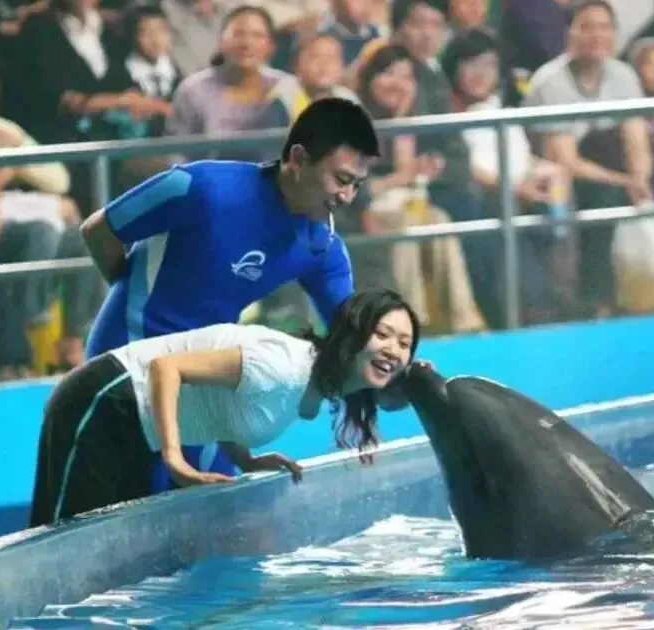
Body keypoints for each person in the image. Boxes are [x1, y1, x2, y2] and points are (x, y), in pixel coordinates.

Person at [78, 97, 388, 492]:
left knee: (217, 503)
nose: (347, 196)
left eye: (356, 184)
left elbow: (352, 334)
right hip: (129, 359)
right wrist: (130, 298)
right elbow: (99, 230)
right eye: (341, 180)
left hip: (202, 371)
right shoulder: (202, 188)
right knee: (134, 502)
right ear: (298, 158)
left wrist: (406, 368)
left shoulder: (321, 247)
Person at [29, 288, 421, 528]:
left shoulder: (314, 383)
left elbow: (226, 401)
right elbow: (166, 368)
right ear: (350, 335)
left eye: (405, 344)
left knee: (108, 549)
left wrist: (245, 459)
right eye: (382, 334)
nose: (394, 349)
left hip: (131, 426)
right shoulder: (284, 366)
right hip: (103, 400)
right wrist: (174, 458)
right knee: (67, 539)